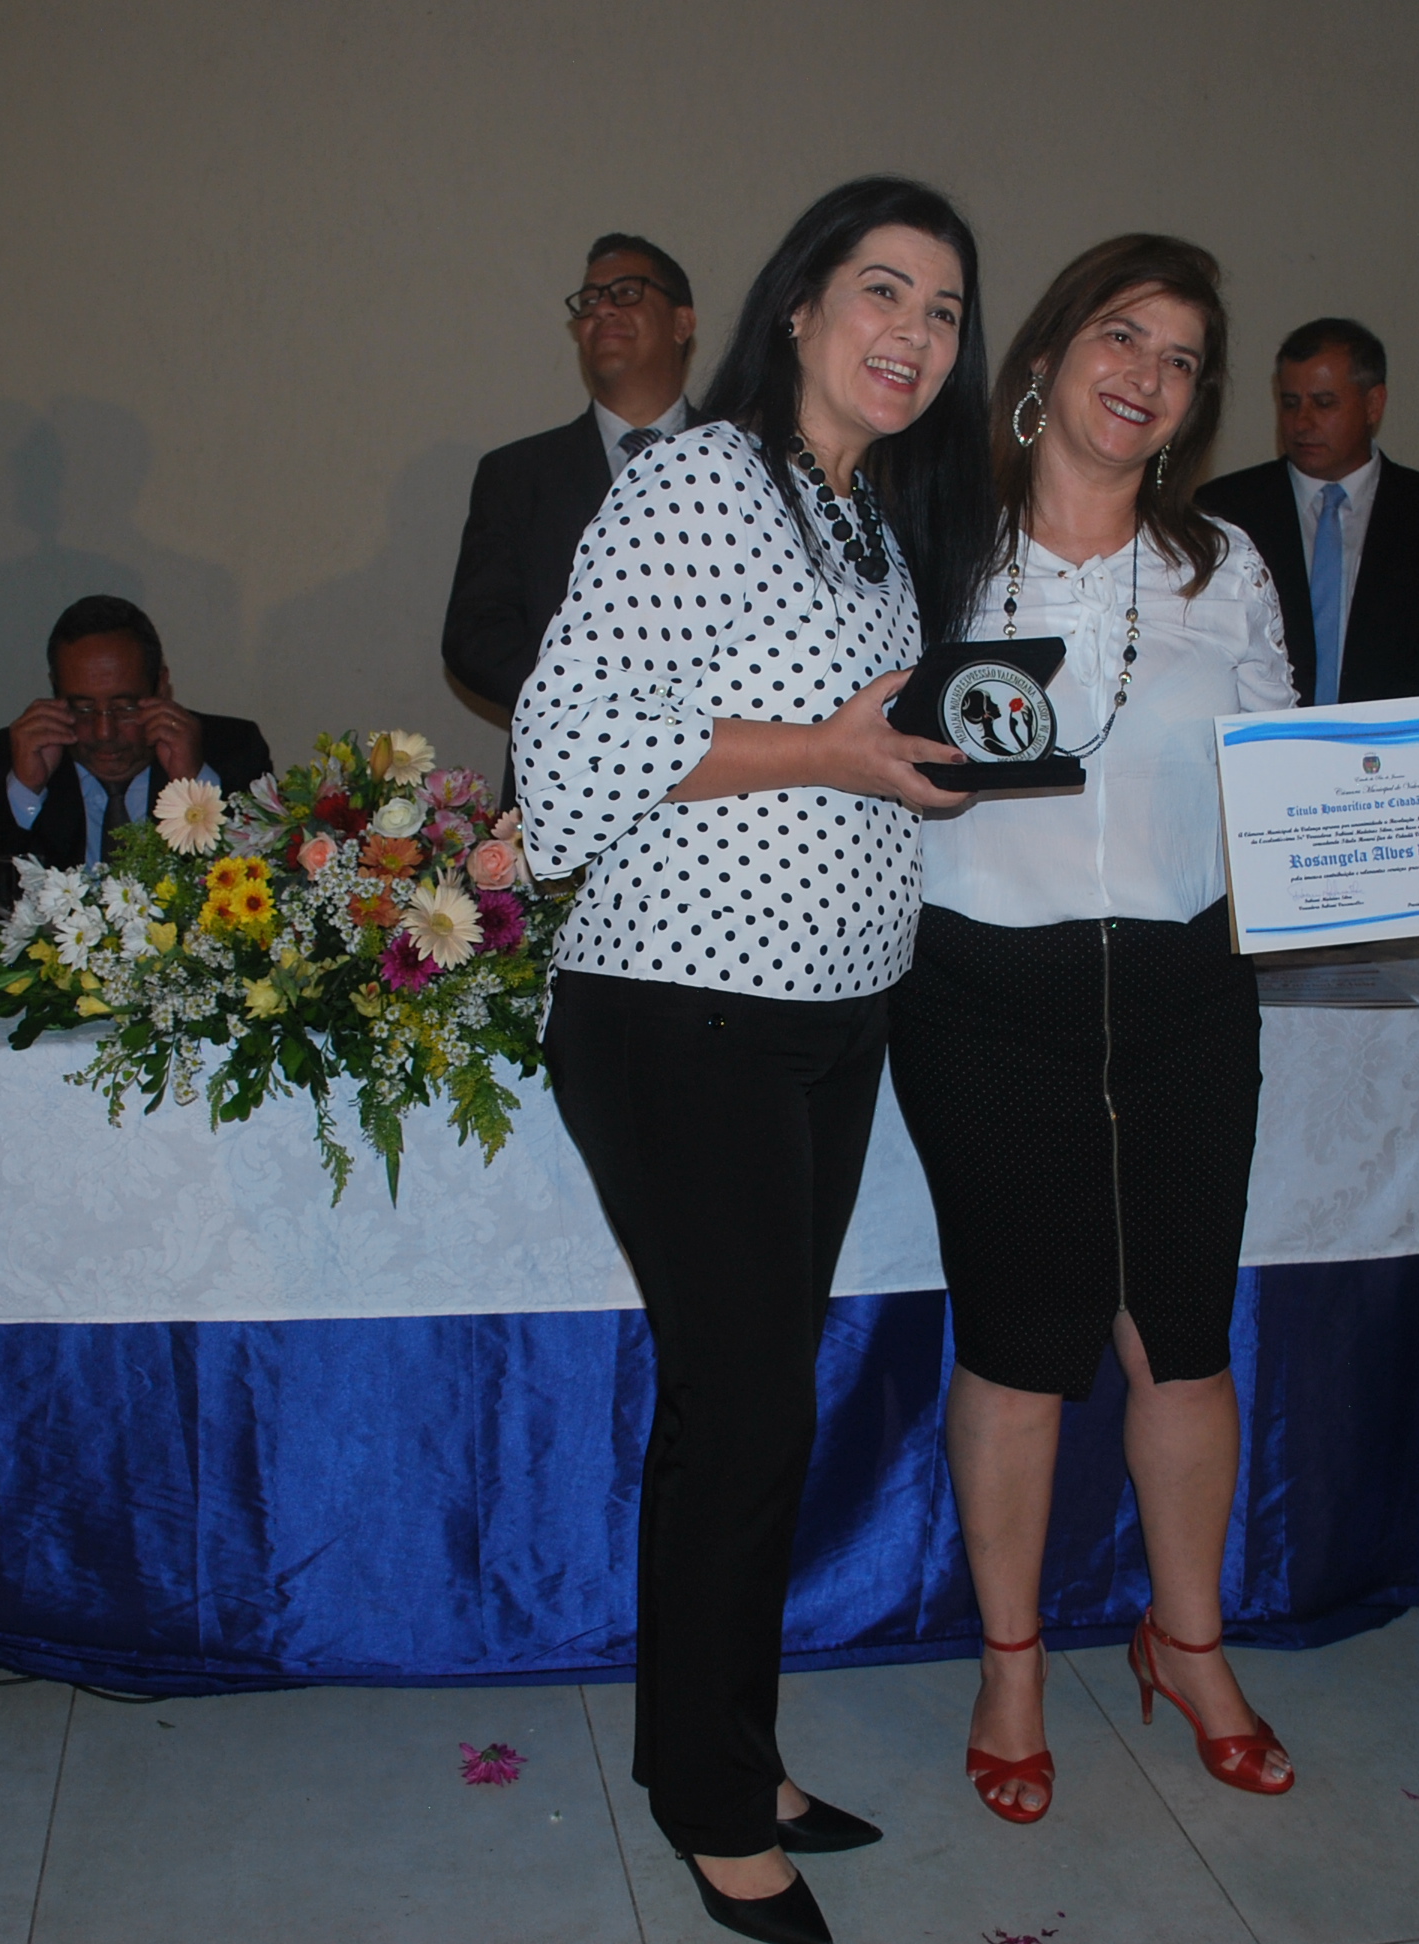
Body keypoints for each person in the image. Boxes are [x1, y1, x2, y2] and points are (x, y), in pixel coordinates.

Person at [888, 240, 1419, 1826]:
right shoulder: (933, 545)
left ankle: (1187, 1645)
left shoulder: (1225, 567)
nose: (1150, 374)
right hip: (982, 994)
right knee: (1019, 1350)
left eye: (1184, 358)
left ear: (1197, 405)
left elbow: (1296, 785)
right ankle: (1010, 1666)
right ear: (1047, 356)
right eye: (1124, 334)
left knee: (1182, 1341)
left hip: (1185, 994)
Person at [514, 176, 994, 1944]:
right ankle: (714, 1802)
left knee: (752, 1404)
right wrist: (830, 754)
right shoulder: (704, 477)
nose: (913, 334)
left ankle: (722, 1742)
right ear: (797, 306)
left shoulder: (867, 519)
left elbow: (854, 755)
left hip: (826, 1015)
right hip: (682, 1010)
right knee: (746, 1413)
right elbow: (568, 749)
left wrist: (913, 775)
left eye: (944, 310)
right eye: (883, 290)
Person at [441, 234, 700, 722]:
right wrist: (580, 700)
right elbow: (476, 636)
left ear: (682, 323)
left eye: (626, 292)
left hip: (725, 754)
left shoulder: (752, 462)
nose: (603, 309)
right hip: (566, 754)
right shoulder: (516, 476)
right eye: (589, 300)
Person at [0, 595, 271, 917]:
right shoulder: (4, 758)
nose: (103, 731)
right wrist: (24, 791)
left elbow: (275, 890)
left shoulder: (229, 749)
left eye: (125, 707)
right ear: (56, 694)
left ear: (161, 688)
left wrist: (197, 792)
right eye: (82, 708)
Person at [1196, 318, 1419, 705]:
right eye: (1290, 403)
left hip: (1391, 735)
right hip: (1262, 732)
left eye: (1324, 403)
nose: (1302, 422)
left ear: (1373, 405)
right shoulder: (1226, 509)